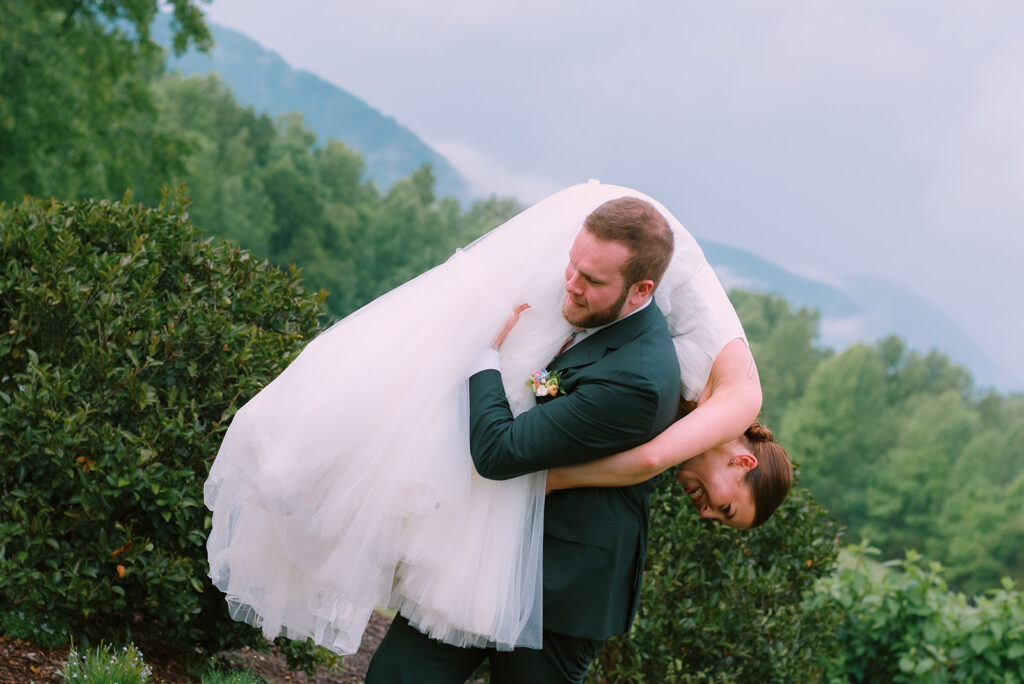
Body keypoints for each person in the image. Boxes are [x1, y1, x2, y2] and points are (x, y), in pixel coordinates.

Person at [204, 180, 789, 665]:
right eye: (725, 507)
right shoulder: (737, 397)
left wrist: (542, 477)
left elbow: (640, 449)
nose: (706, 512)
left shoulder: (660, 375)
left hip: (568, 573)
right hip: (505, 541)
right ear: (741, 461)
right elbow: (648, 458)